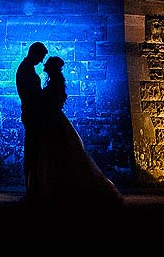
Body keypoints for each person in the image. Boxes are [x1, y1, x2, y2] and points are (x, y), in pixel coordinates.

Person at [37, 55, 122, 204]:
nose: (44, 66)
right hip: (55, 118)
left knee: (58, 152)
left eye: (47, 64)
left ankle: (62, 187)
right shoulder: (56, 82)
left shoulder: (54, 83)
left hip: (53, 119)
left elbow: (53, 101)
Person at [15, 42, 49, 199]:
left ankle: (34, 184)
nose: (42, 61)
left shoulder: (27, 68)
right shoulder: (26, 70)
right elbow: (32, 95)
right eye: (41, 57)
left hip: (32, 112)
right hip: (32, 113)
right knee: (33, 149)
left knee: (34, 148)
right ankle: (32, 185)